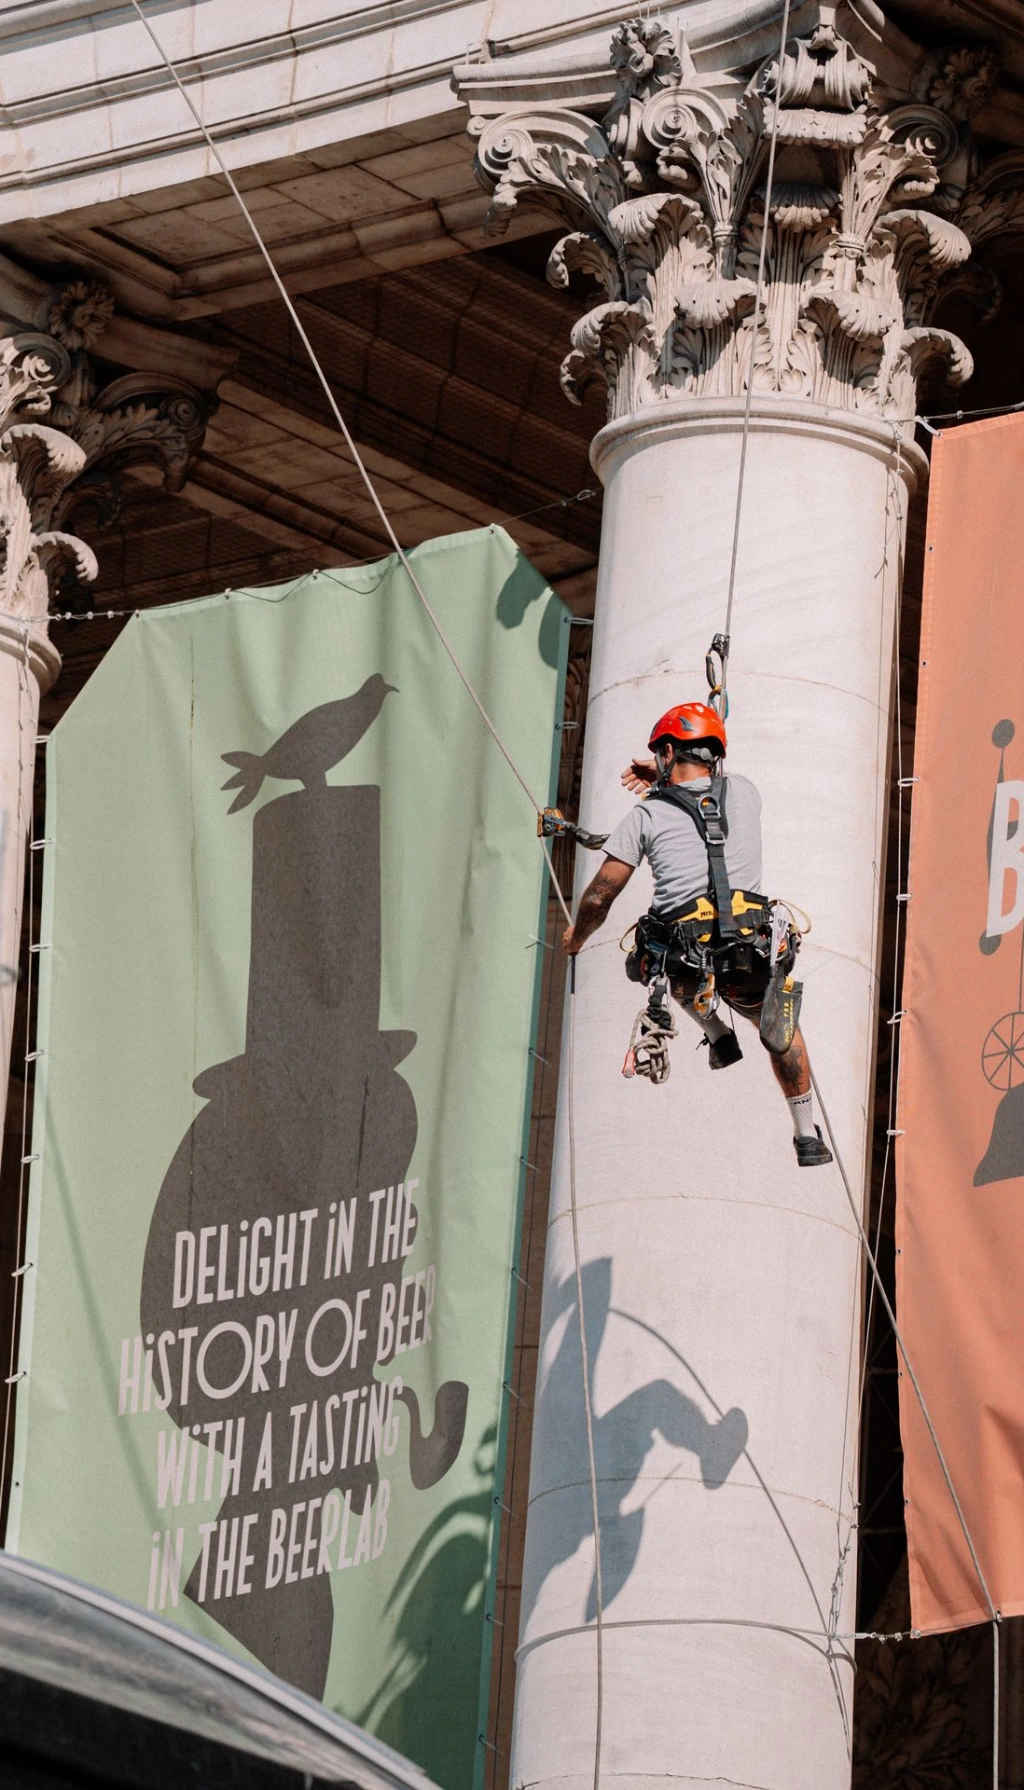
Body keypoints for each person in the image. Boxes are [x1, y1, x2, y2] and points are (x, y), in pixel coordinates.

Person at [561, 701, 833, 1168]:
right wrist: (666, 771)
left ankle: (715, 1031)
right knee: (781, 1030)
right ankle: (806, 1136)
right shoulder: (746, 792)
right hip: (750, 951)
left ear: (667, 751)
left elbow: (598, 899)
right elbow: (710, 792)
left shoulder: (644, 817)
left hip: (688, 963)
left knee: (651, 952)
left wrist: (575, 939)